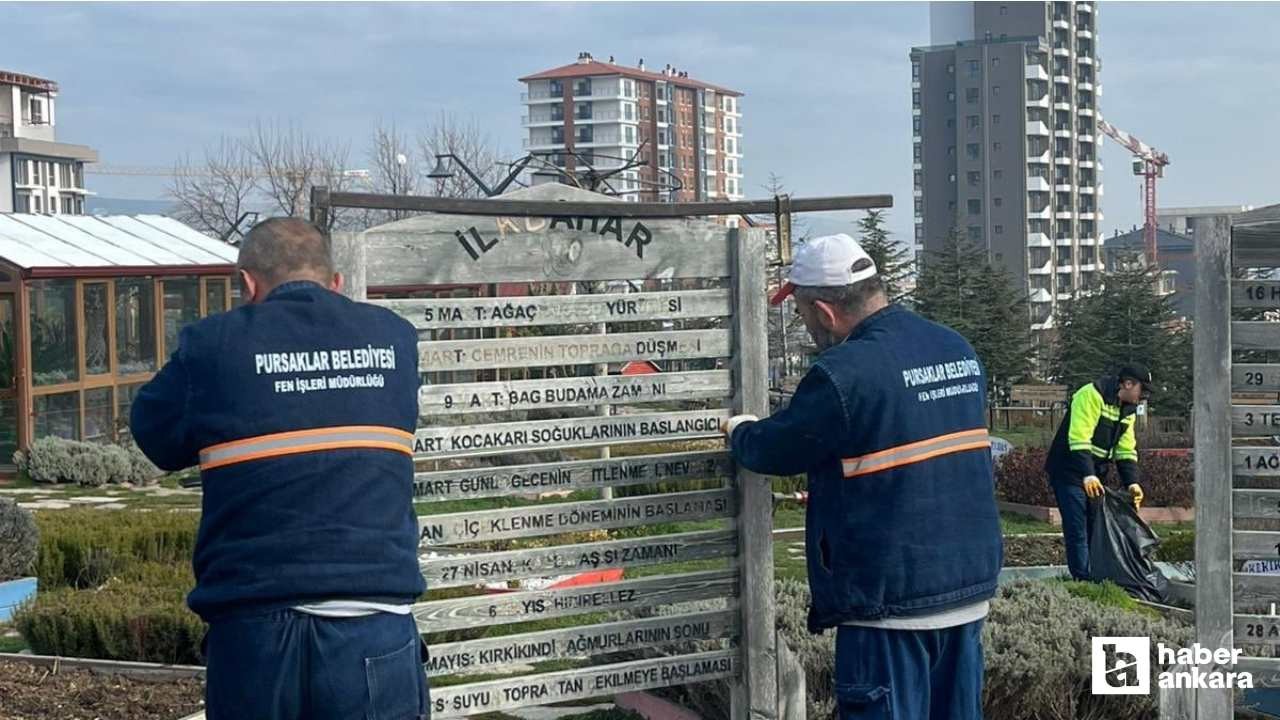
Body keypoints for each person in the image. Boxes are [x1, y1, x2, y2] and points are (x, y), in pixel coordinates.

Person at [130, 218, 429, 720]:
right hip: (375, 628)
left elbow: (154, 435)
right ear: (334, 283)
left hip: (255, 634)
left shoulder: (213, 345)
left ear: (247, 283)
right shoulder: (394, 339)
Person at [723, 233, 1002, 720]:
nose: (804, 324)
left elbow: (778, 448)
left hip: (890, 605)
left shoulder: (843, 373)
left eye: (802, 312)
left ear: (825, 312)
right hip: (967, 590)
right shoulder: (955, 348)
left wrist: (740, 431)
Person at [1044, 364, 1151, 581]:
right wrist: (1088, 474)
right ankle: (1083, 581)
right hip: (1068, 470)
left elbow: (1125, 448)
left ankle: (1096, 577)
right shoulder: (1090, 395)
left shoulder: (1127, 409)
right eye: (1143, 390)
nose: (1145, 396)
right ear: (1128, 384)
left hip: (1093, 475)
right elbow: (1079, 438)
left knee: (1095, 527)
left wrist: (1132, 483)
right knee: (1078, 528)